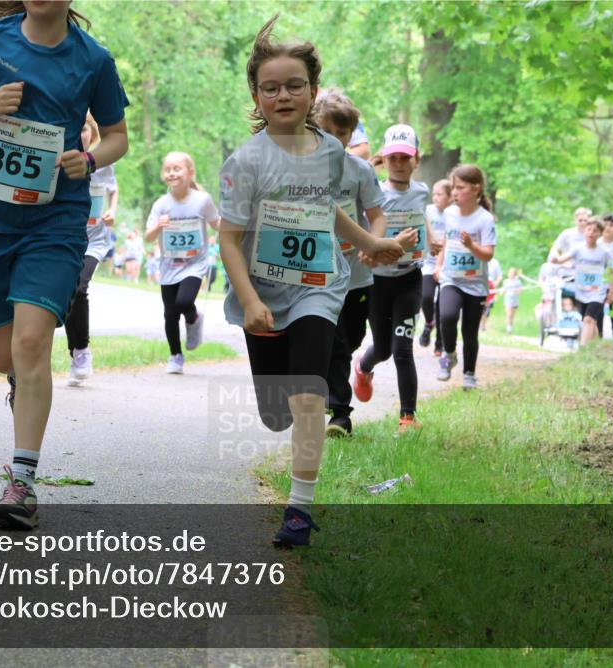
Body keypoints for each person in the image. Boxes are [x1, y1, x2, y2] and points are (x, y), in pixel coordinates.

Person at [218, 15, 407, 547]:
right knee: (277, 412)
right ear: (256, 97)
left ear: (313, 92)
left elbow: (327, 211)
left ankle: (299, 511)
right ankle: (287, 424)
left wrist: (371, 245)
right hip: (262, 296)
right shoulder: (245, 162)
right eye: (271, 87)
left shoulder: (330, 152)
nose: (284, 95)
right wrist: (250, 300)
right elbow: (229, 239)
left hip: (319, 286)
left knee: (308, 395)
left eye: (294, 85)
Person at [0, 0, 128, 528]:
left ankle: (21, 484)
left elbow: (117, 137)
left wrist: (88, 159)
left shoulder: (94, 60)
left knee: (30, 343)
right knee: (5, 357)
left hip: (57, 220)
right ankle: (25, 384)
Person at [312, 90, 391, 437]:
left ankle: (334, 383)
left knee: (353, 336)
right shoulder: (301, 168)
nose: (335, 139)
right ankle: (340, 413)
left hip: (357, 275)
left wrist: (371, 244)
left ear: (351, 135)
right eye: (328, 131)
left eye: (342, 134)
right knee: (335, 343)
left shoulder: (359, 170)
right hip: (315, 274)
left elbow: (377, 216)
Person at [351, 123, 431, 434]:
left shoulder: (422, 191)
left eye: (405, 157)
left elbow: (420, 218)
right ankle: (363, 366)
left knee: (402, 348)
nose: (399, 163)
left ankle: (407, 417)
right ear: (383, 159)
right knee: (382, 348)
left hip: (409, 279)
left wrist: (431, 238)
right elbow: (366, 248)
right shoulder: (375, 194)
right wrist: (398, 244)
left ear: (417, 160)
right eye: (393, 157)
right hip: (377, 283)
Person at [145, 151, 219, 374]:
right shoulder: (161, 204)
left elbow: (216, 223)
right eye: (167, 169)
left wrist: (238, 228)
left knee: (184, 301)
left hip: (195, 264)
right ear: (162, 174)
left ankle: (193, 317)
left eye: (177, 168)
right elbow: (148, 238)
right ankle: (175, 356)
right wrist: (159, 226)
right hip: (169, 265)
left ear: (190, 172)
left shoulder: (202, 201)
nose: (172, 173)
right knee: (170, 313)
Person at [65, 113, 119, 387]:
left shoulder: (101, 161)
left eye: (84, 128)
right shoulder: (61, 161)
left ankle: (82, 351)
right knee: (66, 294)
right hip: (66, 239)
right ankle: (75, 352)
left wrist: (111, 211)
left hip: (95, 240)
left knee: (79, 287)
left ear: (92, 132)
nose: (80, 133)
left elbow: (113, 190)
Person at [434, 164, 497, 390]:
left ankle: (469, 373)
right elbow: (445, 242)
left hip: (475, 284)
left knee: (470, 332)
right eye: (453, 187)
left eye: (459, 188)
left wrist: (471, 245)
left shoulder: (485, 219)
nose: (454, 193)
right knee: (447, 316)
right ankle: (449, 355)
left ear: (475, 189)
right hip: (451, 278)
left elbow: (488, 255)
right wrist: (439, 265)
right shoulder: (449, 213)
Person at [550, 217, 613, 346]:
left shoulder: (604, 252)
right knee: (591, 321)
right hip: (582, 290)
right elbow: (561, 259)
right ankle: (595, 346)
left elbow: (611, 273)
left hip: (598, 291)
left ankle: (583, 348)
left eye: (595, 231)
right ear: (584, 231)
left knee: (588, 319)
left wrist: (611, 291)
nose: (591, 233)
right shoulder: (578, 249)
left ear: (600, 234)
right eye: (589, 229)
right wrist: (555, 259)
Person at [419, 179, 451, 355]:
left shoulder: (453, 215)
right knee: (426, 297)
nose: (435, 197)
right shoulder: (428, 211)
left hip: (446, 265)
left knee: (442, 307)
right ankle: (428, 322)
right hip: (428, 263)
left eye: (440, 194)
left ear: (449, 197)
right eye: (434, 194)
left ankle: (440, 343)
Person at [548, 207, 592, 304]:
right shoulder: (568, 233)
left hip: (588, 272)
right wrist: (559, 260)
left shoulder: (592, 234)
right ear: (575, 220)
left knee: (588, 301)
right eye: (580, 220)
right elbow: (555, 248)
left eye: (585, 220)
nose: (583, 223)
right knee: (570, 301)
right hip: (569, 273)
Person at [479, 257, 503, 331]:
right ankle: (479, 324)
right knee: (480, 305)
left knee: (488, 307)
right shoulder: (479, 259)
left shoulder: (495, 262)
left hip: (491, 286)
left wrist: (495, 284)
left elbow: (500, 275)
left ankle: (483, 324)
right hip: (481, 285)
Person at [502, 267, 522, 334]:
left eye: (512, 273)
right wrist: (502, 292)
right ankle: (508, 328)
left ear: (514, 274)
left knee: (512, 315)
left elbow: (521, 290)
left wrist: (517, 291)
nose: (510, 274)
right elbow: (503, 290)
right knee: (509, 314)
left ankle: (510, 326)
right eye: (510, 273)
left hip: (515, 300)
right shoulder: (506, 281)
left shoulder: (518, 282)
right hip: (508, 300)